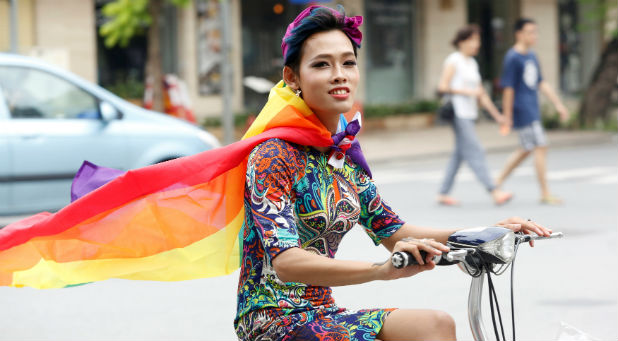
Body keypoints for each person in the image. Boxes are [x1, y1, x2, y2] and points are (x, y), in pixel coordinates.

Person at [234, 6, 551, 341]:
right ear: (292, 77)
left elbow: (394, 232)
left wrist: (485, 232)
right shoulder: (272, 156)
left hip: (323, 313)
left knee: (436, 324)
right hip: (272, 321)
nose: (339, 74)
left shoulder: (344, 158)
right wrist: (381, 272)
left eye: (348, 62)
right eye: (321, 64)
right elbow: (286, 262)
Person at [436, 24, 513, 206]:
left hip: (469, 113)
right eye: (472, 40)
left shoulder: (472, 63)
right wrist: (466, 92)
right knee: (475, 149)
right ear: (462, 41)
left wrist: (498, 116)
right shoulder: (454, 60)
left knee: (460, 154)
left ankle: (443, 193)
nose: (476, 44)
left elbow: (481, 94)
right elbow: (442, 87)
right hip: (458, 112)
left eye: (477, 40)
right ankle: (494, 190)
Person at [496, 18, 570, 205]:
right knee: (540, 146)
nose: (534, 36)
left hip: (532, 108)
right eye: (530, 32)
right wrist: (507, 116)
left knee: (526, 149)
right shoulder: (512, 57)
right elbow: (508, 88)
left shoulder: (532, 56)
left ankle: (495, 182)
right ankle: (545, 192)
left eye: (535, 32)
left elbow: (541, 83)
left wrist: (558, 104)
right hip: (523, 110)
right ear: (519, 34)